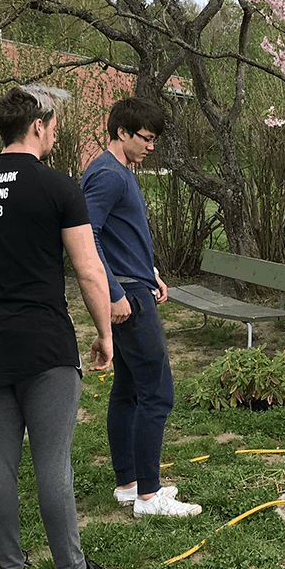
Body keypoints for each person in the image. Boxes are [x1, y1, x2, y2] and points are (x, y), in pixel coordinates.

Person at [0, 86, 123, 569]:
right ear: (38, 126)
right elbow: (89, 270)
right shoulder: (57, 187)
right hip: (46, 344)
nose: (55, 133)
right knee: (52, 460)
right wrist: (105, 333)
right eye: (52, 126)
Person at [81, 97, 202, 518]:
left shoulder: (117, 171)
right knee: (157, 392)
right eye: (146, 139)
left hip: (136, 285)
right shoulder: (108, 176)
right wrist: (114, 291)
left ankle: (128, 484)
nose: (151, 146)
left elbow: (118, 236)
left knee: (129, 388)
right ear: (122, 133)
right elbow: (86, 237)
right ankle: (150, 497)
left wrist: (149, 271)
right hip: (128, 299)